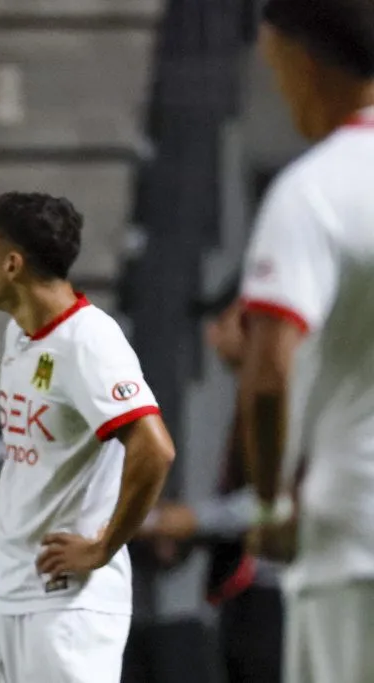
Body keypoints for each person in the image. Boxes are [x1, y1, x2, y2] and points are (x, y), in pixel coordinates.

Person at [0, 192, 176, 683]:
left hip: (65, 605)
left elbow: (154, 448)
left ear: (11, 263)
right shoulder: (21, 334)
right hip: (3, 591)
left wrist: (102, 547)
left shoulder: (89, 340)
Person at [239, 1, 374, 681]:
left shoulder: (313, 191)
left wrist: (269, 505)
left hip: (352, 538)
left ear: (302, 58)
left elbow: (268, 374)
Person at [138, 279, 284, 683]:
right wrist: (187, 531)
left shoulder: (286, 396)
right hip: (243, 599)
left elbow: (284, 500)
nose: (212, 334)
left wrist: (194, 521)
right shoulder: (248, 399)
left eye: (224, 319)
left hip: (280, 598)